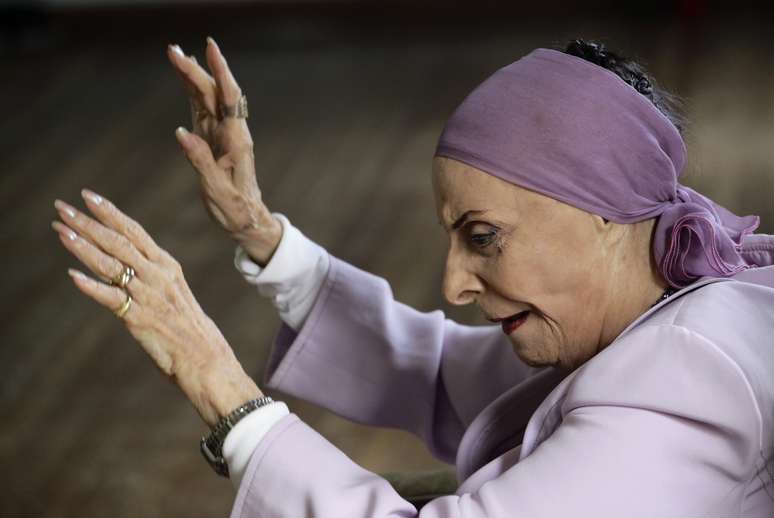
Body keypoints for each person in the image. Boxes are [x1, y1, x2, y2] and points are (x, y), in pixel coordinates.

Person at [51, 36, 774, 517]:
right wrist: (262, 235)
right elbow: (438, 371)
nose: (455, 282)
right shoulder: (649, 300)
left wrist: (215, 380)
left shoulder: (685, 381)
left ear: (606, 215)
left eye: (483, 237)